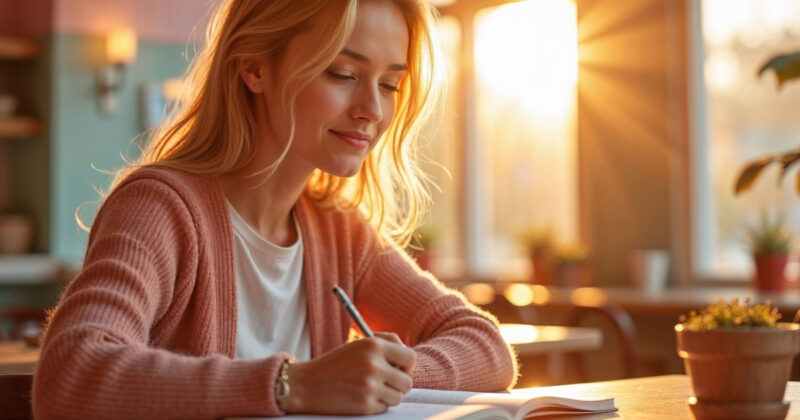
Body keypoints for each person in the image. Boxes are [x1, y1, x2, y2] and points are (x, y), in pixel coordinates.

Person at [32, 0, 517, 418]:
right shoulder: (159, 208)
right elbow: (72, 374)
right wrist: (295, 385)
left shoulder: (340, 232)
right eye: (343, 74)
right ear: (254, 67)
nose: (373, 109)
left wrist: (383, 377)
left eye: (390, 84)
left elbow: (486, 345)